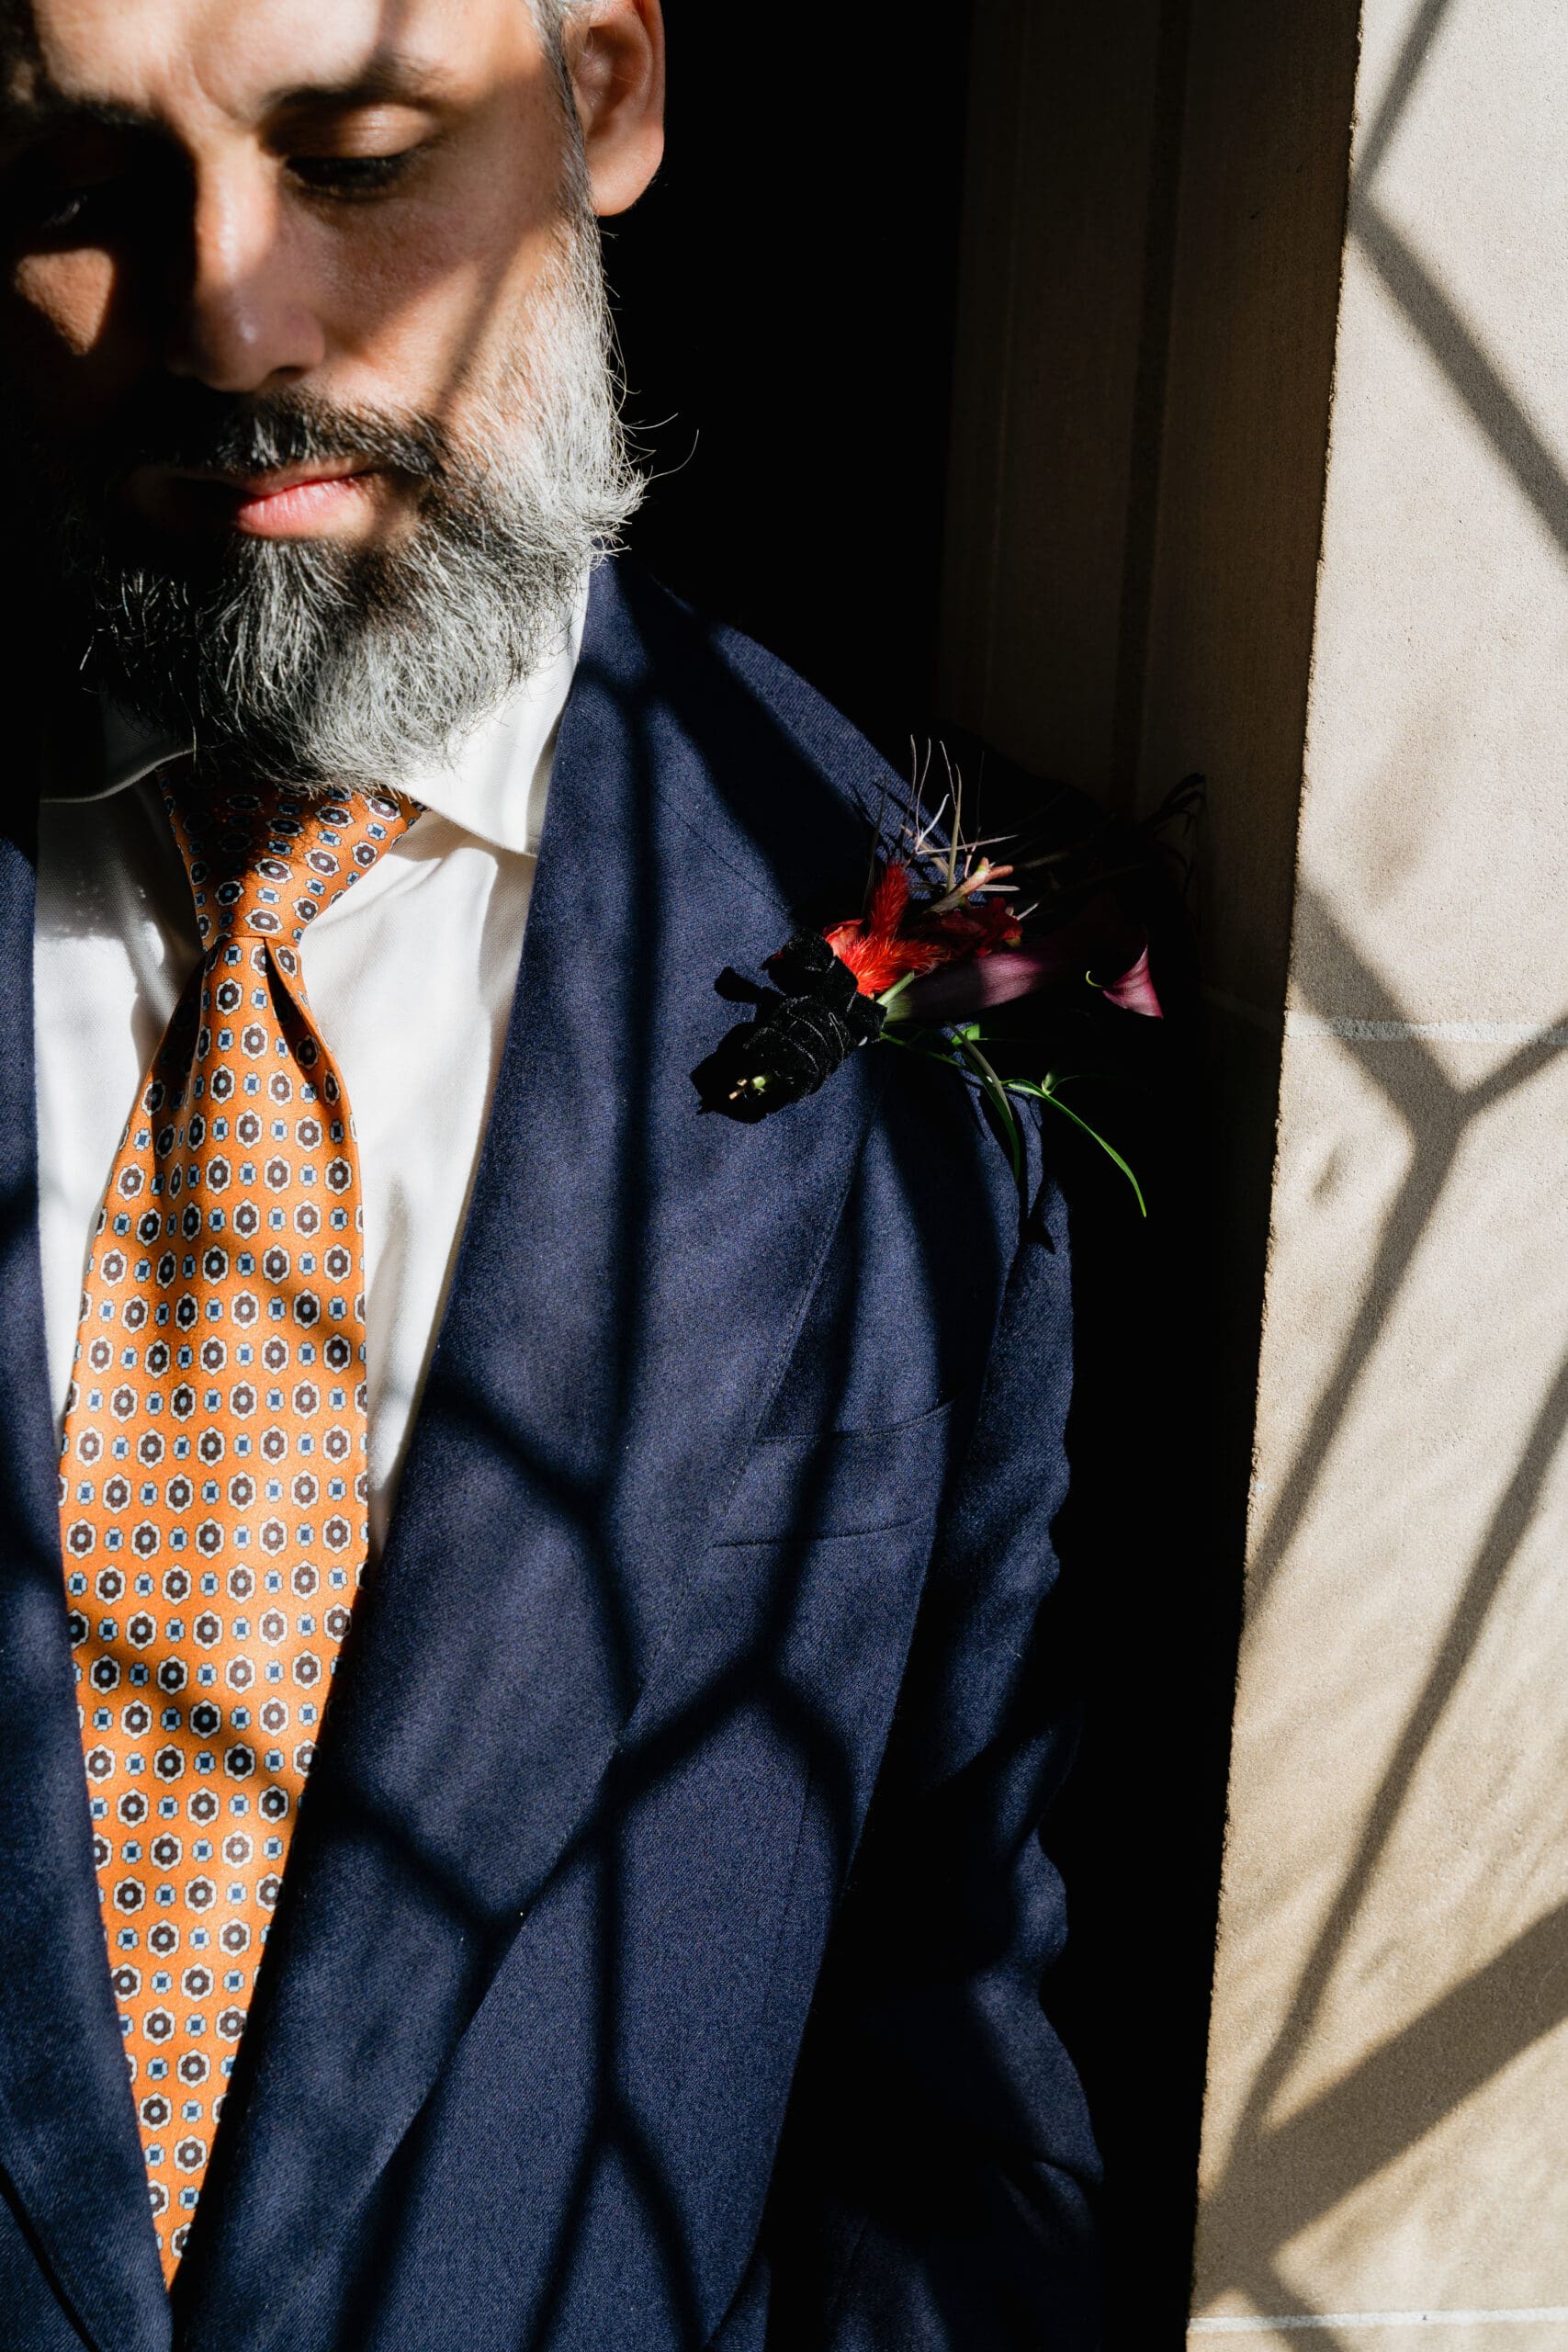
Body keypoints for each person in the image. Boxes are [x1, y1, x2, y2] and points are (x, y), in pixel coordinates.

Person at [0, 1, 1100, 2345]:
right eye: (76, 189)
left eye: (365, 150)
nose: (232, 318)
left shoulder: (926, 993)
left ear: (600, 90)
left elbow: (956, 2084)